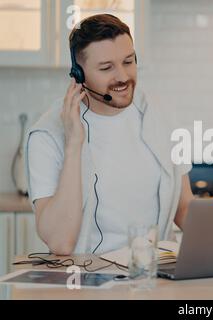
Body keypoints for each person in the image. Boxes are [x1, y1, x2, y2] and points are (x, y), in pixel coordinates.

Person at [24, 14, 194, 255]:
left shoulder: (163, 115)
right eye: (106, 68)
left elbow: (184, 207)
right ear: (78, 75)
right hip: (87, 282)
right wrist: (74, 143)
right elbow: (60, 242)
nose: (123, 77)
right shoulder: (47, 135)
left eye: (128, 61)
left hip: (155, 276)